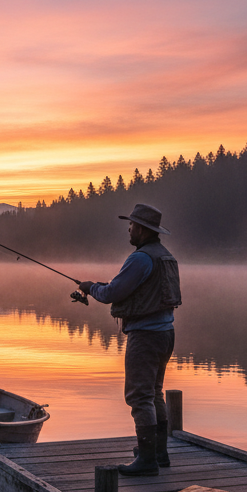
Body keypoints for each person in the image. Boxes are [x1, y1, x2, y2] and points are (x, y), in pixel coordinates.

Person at [78, 204, 182, 476]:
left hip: (145, 336)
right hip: (165, 333)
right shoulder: (166, 256)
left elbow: (113, 292)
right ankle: (159, 452)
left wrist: (91, 288)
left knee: (139, 396)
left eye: (132, 225)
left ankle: (147, 460)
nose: (129, 229)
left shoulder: (141, 258)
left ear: (143, 230)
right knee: (154, 392)